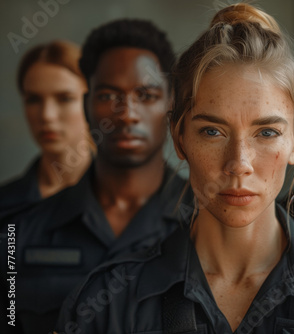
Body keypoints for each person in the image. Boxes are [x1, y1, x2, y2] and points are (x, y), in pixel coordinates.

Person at [54, 4, 294, 334]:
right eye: (212, 131)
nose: (239, 164)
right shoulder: (106, 303)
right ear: (179, 137)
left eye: (266, 132)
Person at [0, 19, 190, 334]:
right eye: (108, 96)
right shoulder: (15, 233)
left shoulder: (208, 223)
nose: (127, 112)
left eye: (145, 95)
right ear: (86, 105)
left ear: (171, 104)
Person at [0, 40, 92, 213]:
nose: (46, 115)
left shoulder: (131, 201)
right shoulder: (5, 208)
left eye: (65, 98)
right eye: (33, 100)